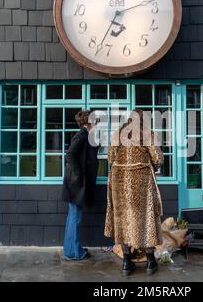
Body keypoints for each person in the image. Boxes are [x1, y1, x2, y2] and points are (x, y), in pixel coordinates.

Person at [104, 109, 164, 276]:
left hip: (119, 180)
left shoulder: (118, 134)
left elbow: (110, 157)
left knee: (123, 219)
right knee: (146, 218)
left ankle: (126, 262)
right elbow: (157, 158)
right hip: (142, 180)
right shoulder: (148, 134)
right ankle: (151, 262)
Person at [62, 110, 99, 261]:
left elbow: (93, 149)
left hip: (77, 183)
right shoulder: (81, 135)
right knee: (75, 218)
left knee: (73, 216)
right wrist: (79, 174)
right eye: (95, 121)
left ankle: (72, 249)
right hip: (76, 184)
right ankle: (74, 252)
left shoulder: (87, 135)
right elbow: (70, 154)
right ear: (88, 122)